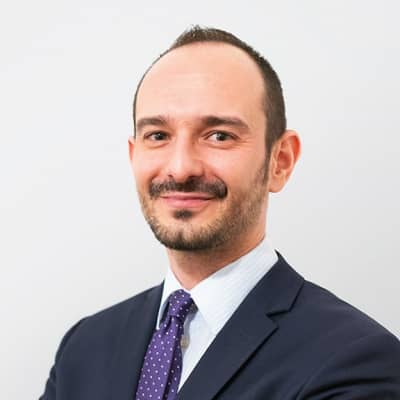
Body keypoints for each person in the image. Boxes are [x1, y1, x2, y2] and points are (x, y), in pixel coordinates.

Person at [40, 26, 400, 400]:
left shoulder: (353, 361)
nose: (181, 168)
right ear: (134, 157)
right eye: (158, 136)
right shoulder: (83, 349)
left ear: (280, 161)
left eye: (219, 135)